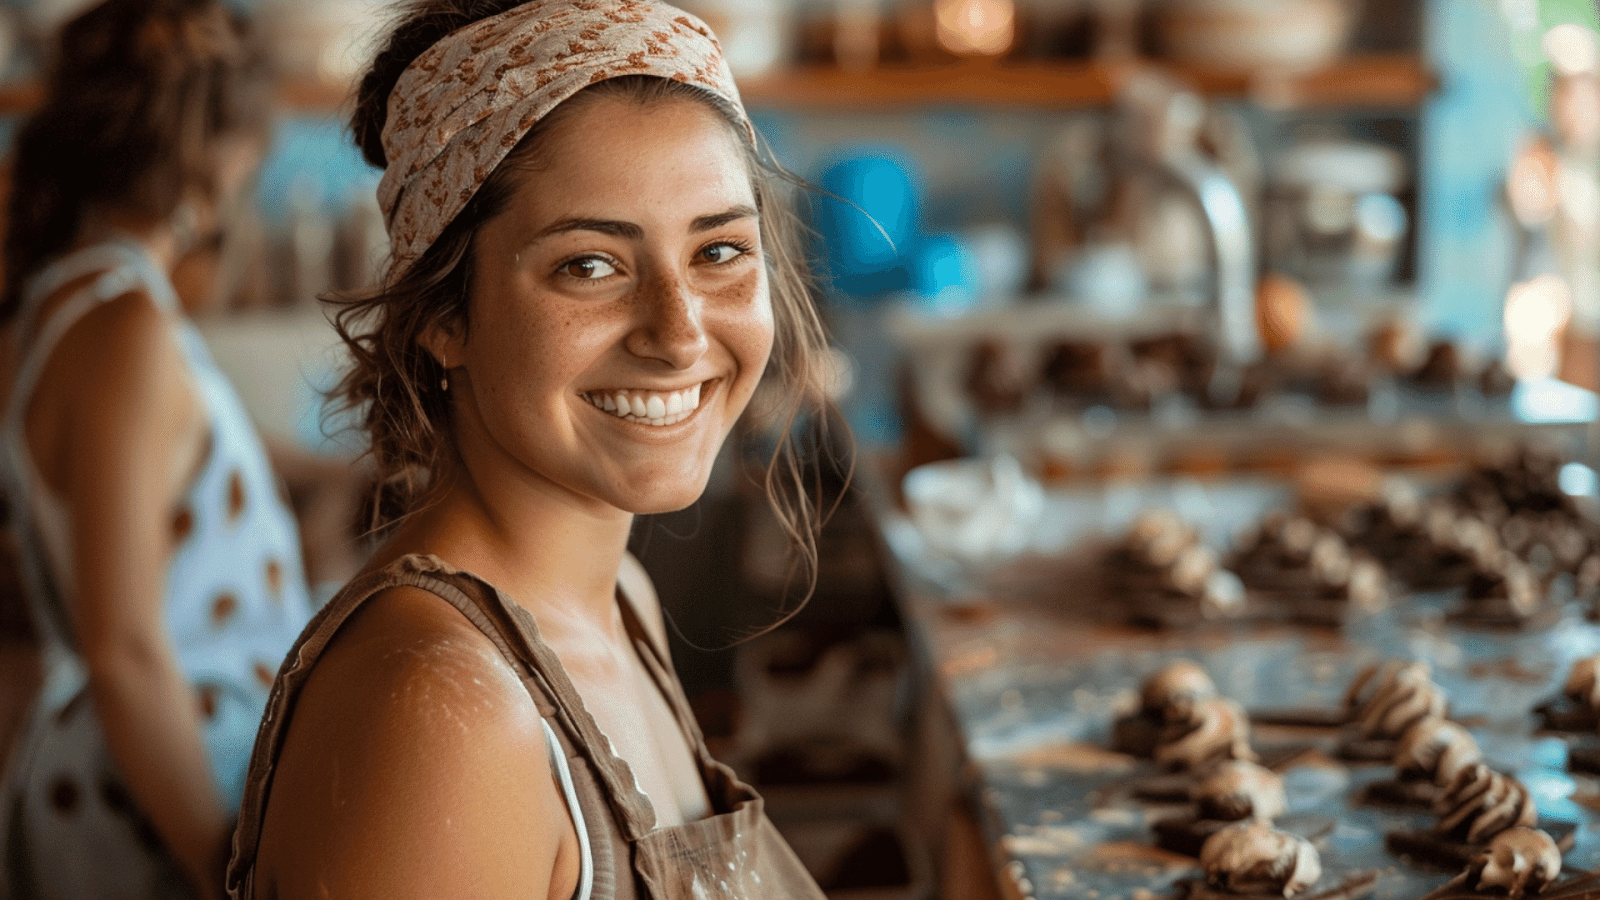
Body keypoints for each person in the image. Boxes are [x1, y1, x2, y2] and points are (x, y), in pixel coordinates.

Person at [226, 1, 835, 897]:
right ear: (442, 313)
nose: (678, 333)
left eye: (720, 252)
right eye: (589, 265)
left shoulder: (617, 599)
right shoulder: (443, 717)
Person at [0, 2, 318, 898]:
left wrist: (335, 473)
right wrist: (228, 872)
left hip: (134, 766)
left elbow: (165, 471)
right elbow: (126, 649)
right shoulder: (123, 327)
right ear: (216, 147)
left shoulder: (73, 306)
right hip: (151, 778)